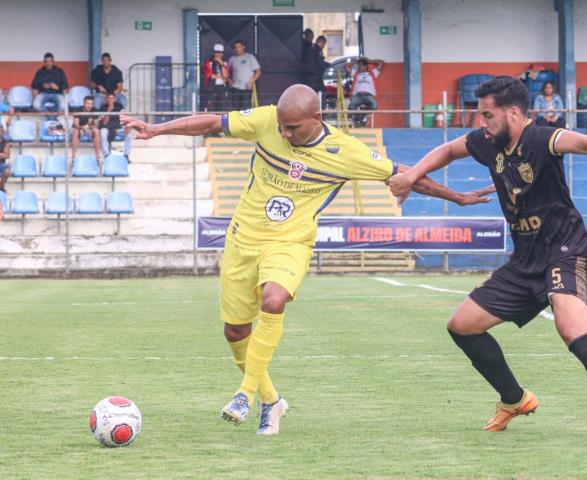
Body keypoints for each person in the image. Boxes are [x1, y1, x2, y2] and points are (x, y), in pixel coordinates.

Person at [120, 84, 492, 436]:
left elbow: (405, 175)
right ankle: (272, 401)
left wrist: (456, 197)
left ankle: (244, 394)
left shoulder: (345, 151)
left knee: (274, 299)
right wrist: (156, 129)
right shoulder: (266, 120)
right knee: (235, 331)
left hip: (290, 243)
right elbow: (212, 122)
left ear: (316, 118)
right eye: (280, 126)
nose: (283, 133)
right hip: (242, 241)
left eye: (292, 127)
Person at [388, 76, 587, 445]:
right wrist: (411, 175)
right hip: (525, 260)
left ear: (514, 113)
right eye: (480, 114)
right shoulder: (487, 142)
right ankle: (514, 400)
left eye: (488, 115)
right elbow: (448, 149)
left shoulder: (541, 138)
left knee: (571, 329)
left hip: (565, 251)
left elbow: (585, 142)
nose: (481, 123)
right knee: (462, 326)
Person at [345, 57, 384, 127]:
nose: (358, 67)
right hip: (357, 96)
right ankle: (361, 119)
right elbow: (346, 66)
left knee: (374, 107)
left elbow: (381, 62)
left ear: (366, 66)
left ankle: (361, 117)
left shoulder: (373, 73)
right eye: (358, 65)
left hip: (369, 95)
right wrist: (356, 61)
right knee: (350, 108)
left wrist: (370, 61)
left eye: (360, 65)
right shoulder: (355, 73)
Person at [228, 40, 261, 111]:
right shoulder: (232, 59)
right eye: (235, 47)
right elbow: (226, 72)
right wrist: (229, 81)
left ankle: (246, 122)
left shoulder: (250, 57)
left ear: (243, 47)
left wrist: (251, 81)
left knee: (246, 109)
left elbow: (258, 71)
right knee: (235, 109)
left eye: (239, 47)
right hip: (235, 87)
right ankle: (236, 122)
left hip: (247, 88)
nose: (237, 49)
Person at [99, 93, 132, 159]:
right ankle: (106, 155)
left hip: (118, 127)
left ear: (115, 99)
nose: (110, 100)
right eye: (108, 98)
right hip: (107, 127)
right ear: (106, 99)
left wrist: (127, 126)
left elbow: (123, 118)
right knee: (103, 133)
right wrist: (109, 110)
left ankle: (126, 155)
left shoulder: (119, 106)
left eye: (112, 98)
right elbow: (105, 122)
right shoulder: (102, 107)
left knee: (129, 135)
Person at [71, 96, 102, 161]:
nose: (89, 106)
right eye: (87, 103)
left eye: (91, 104)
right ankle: (73, 157)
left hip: (89, 129)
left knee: (96, 131)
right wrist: (82, 127)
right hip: (79, 128)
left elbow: (96, 124)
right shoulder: (78, 110)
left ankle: (98, 157)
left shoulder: (95, 110)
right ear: (84, 103)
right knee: (76, 131)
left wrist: (88, 127)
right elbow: (76, 124)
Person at [204, 44, 229, 111]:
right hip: (211, 87)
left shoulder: (225, 63)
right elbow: (211, 76)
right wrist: (219, 76)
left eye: (220, 52)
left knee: (221, 107)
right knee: (211, 107)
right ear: (213, 53)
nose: (218, 54)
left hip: (222, 87)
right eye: (216, 52)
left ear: (222, 54)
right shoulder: (209, 62)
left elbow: (225, 76)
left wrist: (221, 63)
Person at [0, 125, 11, 193]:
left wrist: (3, 155)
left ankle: (0, 187)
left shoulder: (6, 142)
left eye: (1, 131)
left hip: (1, 164)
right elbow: (3, 154)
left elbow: (6, 155)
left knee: (7, 171)